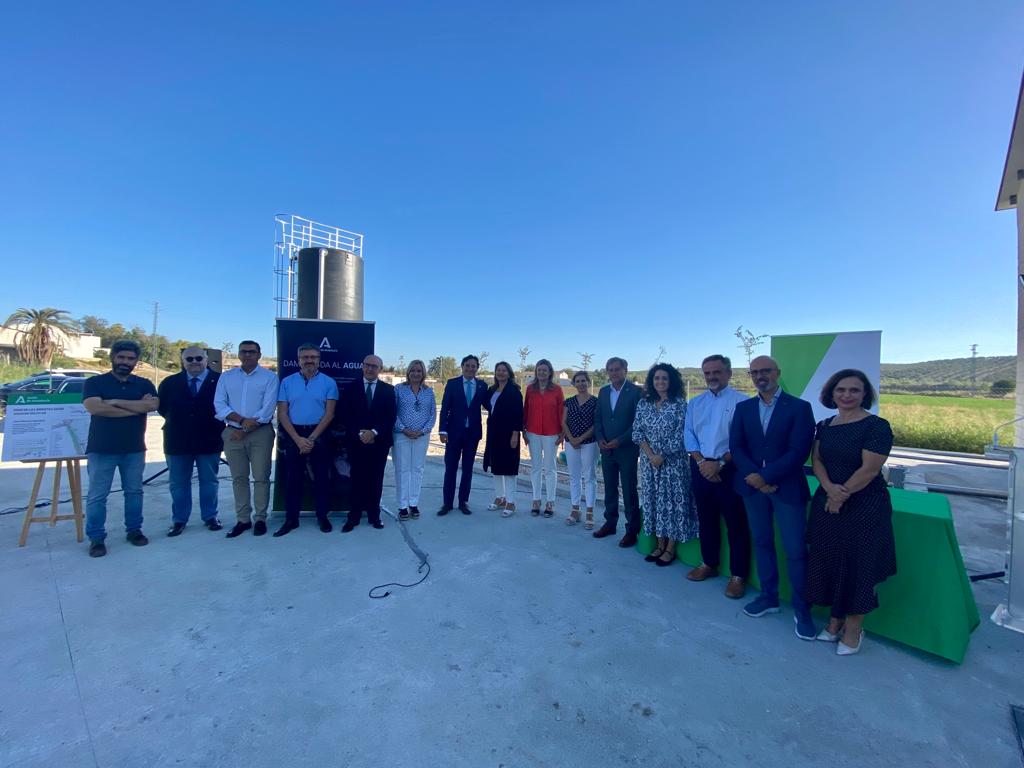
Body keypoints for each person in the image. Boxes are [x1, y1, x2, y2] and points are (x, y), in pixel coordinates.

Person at [807, 369, 897, 656]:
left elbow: (870, 469)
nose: (846, 395)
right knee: (832, 561)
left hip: (864, 505)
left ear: (864, 394)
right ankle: (834, 621)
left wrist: (840, 494)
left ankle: (854, 629)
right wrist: (829, 490)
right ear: (831, 394)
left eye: (854, 390)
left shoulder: (876, 426)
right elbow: (817, 460)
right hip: (827, 501)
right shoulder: (825, 425)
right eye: (840, 390)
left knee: (859, 566)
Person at [729, 355, 816, 640]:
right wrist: (755, 476)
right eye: (754, 372)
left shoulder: (800, 408)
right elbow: (737, 446)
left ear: (777, 373)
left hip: (785, 489)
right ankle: (769, 597)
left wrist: (767, 477)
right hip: (753, 489)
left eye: (765, 371)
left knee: (795, 551)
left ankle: (803, 610)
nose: (759, 376)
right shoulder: (744, 408)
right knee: (763, 542)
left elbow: (799, 450)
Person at [81, 339, 160, 557]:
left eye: (130, 358)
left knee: (134, 492)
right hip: (101, 449)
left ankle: (134, 530)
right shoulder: (95, 382)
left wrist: (113, 401)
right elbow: (94, 408)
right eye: (121, 357)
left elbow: (153, 405)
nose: (126, 362)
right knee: (98, 495)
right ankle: (96, 538)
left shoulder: (143, 384)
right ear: (113, 358)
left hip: (134, 449)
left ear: (136, 361)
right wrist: (136, 408)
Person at [683, 354, 752, 599]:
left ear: (729, 373)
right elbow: (689, 435)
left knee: (736, 523)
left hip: (729, 470)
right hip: (700, 467)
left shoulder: (743, 403)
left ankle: (738, 575)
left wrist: (719, 464)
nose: (711, 377)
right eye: (707, 373)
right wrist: (702, 462)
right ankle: (708, 564)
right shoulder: (695, 403)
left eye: (717, 372)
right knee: (706, 518)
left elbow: (744, 442)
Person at [632, 363, 698, 566]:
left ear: (671, 381)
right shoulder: (644, 403)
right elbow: (637, 431)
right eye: (656, 378)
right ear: (652, 381)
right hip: (649, 464)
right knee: (654, 503)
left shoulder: (679, 404)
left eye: (664, 378)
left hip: (673, 464)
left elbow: (682, 434)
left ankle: (670, 548)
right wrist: (651, 455)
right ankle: (659, 544)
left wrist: (662, 454)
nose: (660, 382)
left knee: (672, 505)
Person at [214, 340, 279, 538]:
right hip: (233, 432)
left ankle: (260, 518)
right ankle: (243, 519)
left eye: (252, 352)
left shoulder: (270, 378)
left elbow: (267, 410)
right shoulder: (226, 377)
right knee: (239, 478)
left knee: (261, 477)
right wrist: (242, 422)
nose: (247, 355)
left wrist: (246, 429)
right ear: (239, 354)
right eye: (244, 352)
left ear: (259, 354)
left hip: (260, 433)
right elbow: (219, 404)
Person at [157, 346, 223, 537]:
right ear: (183, 361)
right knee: (178, 483)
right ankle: (179, 520)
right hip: (177, 441)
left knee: (209, 481)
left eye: (198, 358)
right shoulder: (170, 382)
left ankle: (210, 517)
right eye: (189, 359)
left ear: (206, 359)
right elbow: (162, 408)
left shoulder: (219, 381)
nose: (194, 362)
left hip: (209, 439)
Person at [275, 343, 339, 536]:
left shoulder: (329, 383)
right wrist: (298, 439)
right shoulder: (287, 382)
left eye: (313, 357)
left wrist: (310, 439)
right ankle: (291, 519)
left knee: (322, 478)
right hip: (293, 433)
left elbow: (329, 414)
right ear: (298, 360)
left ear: (319, 360)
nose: (309, 360)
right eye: (305, 357)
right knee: (293, 478)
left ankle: (322, 516)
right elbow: (282, 413)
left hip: (319, 433)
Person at [339, 354, 396, 532]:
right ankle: (353, 516)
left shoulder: (388, 390)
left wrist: (374, 432)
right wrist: (360, 432)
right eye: (367, 365)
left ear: (380, 369)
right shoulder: (350, 388)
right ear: (362, 366)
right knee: (356, 479)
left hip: (379, 443)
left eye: (374, 366)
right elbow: (343, 414)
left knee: (376, 480)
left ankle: (374, 515)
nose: (370, 369)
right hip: (356, 441)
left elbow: (390, 416)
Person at [593, 357, 643, 547]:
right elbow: (598, 418)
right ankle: (610, 522)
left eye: (617, 369)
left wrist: (619, 441)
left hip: (627, 450)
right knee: (609, 487)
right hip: (606, 450)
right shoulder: (604, 391)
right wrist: (600, 439)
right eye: (610, 370)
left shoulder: (636, 392)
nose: (613, 373)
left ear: (625, 370)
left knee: (629, 490)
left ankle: (632, 530)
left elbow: (638, 423)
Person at [438, 355, 488, 515]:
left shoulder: (482, 386)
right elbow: (445, 407)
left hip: (472, 434)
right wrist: (442, 430)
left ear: (477, 368)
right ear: (462, 366)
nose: (470, 369)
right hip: (453, 433)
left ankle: (463, 502)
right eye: (468, 365)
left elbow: (490, 405)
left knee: (468, 469)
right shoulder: (452, 384)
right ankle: (447, 503)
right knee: (450, 468)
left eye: (474, 366)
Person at [392, 359, 436, 521]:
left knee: (417, 469)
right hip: (401, 435)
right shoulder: (399, 390)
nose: (416, 373)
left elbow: (432, 415)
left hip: (421, 437)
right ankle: (402, 505)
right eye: (413, 370)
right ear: (408, 372)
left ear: (423, 373)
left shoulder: (428, 392)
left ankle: (413, 503)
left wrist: (423, 431)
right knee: (402, 469)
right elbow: (393, 412)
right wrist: (403, 429)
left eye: (419, 371)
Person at [523, 359, 564, 517]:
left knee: (550, 468)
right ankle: (536, 499)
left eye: (544, 370)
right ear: (536, 372)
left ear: (549, 372)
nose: (541, 373)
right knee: (535, 467)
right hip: (533, 432)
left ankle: (550, 501)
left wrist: (562, 433)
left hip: (551, 433)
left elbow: (561, 411)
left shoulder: (557, 390)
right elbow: (526, 409)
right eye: (539, 370)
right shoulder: (530, 389)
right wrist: (523, 430)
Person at [482, 361, 523, 518]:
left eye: (504, 370)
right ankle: (500, 498)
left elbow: (518, 413)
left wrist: (515, 434)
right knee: (496, 465)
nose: (501, 373)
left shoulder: (514, 391)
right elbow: (488, 405)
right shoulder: (492, 390)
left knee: (509, 467)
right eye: (498, 370)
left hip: (509, 433)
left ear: (509, 373)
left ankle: (511, 502)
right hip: (494, 432)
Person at [562, 370, 599, 530]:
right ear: (574, 384)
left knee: (589, 477)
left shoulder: (596, 402)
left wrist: (581, 439)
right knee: (574, 477)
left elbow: (596, 424)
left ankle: (590, 512)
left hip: (590, 442)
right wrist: (571, 439)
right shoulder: (568, 402)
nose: (581, 384)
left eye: (584, 381)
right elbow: (563, 422)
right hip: (571, 444)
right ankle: (575, 509)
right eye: (578, 381)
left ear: (588, 382)